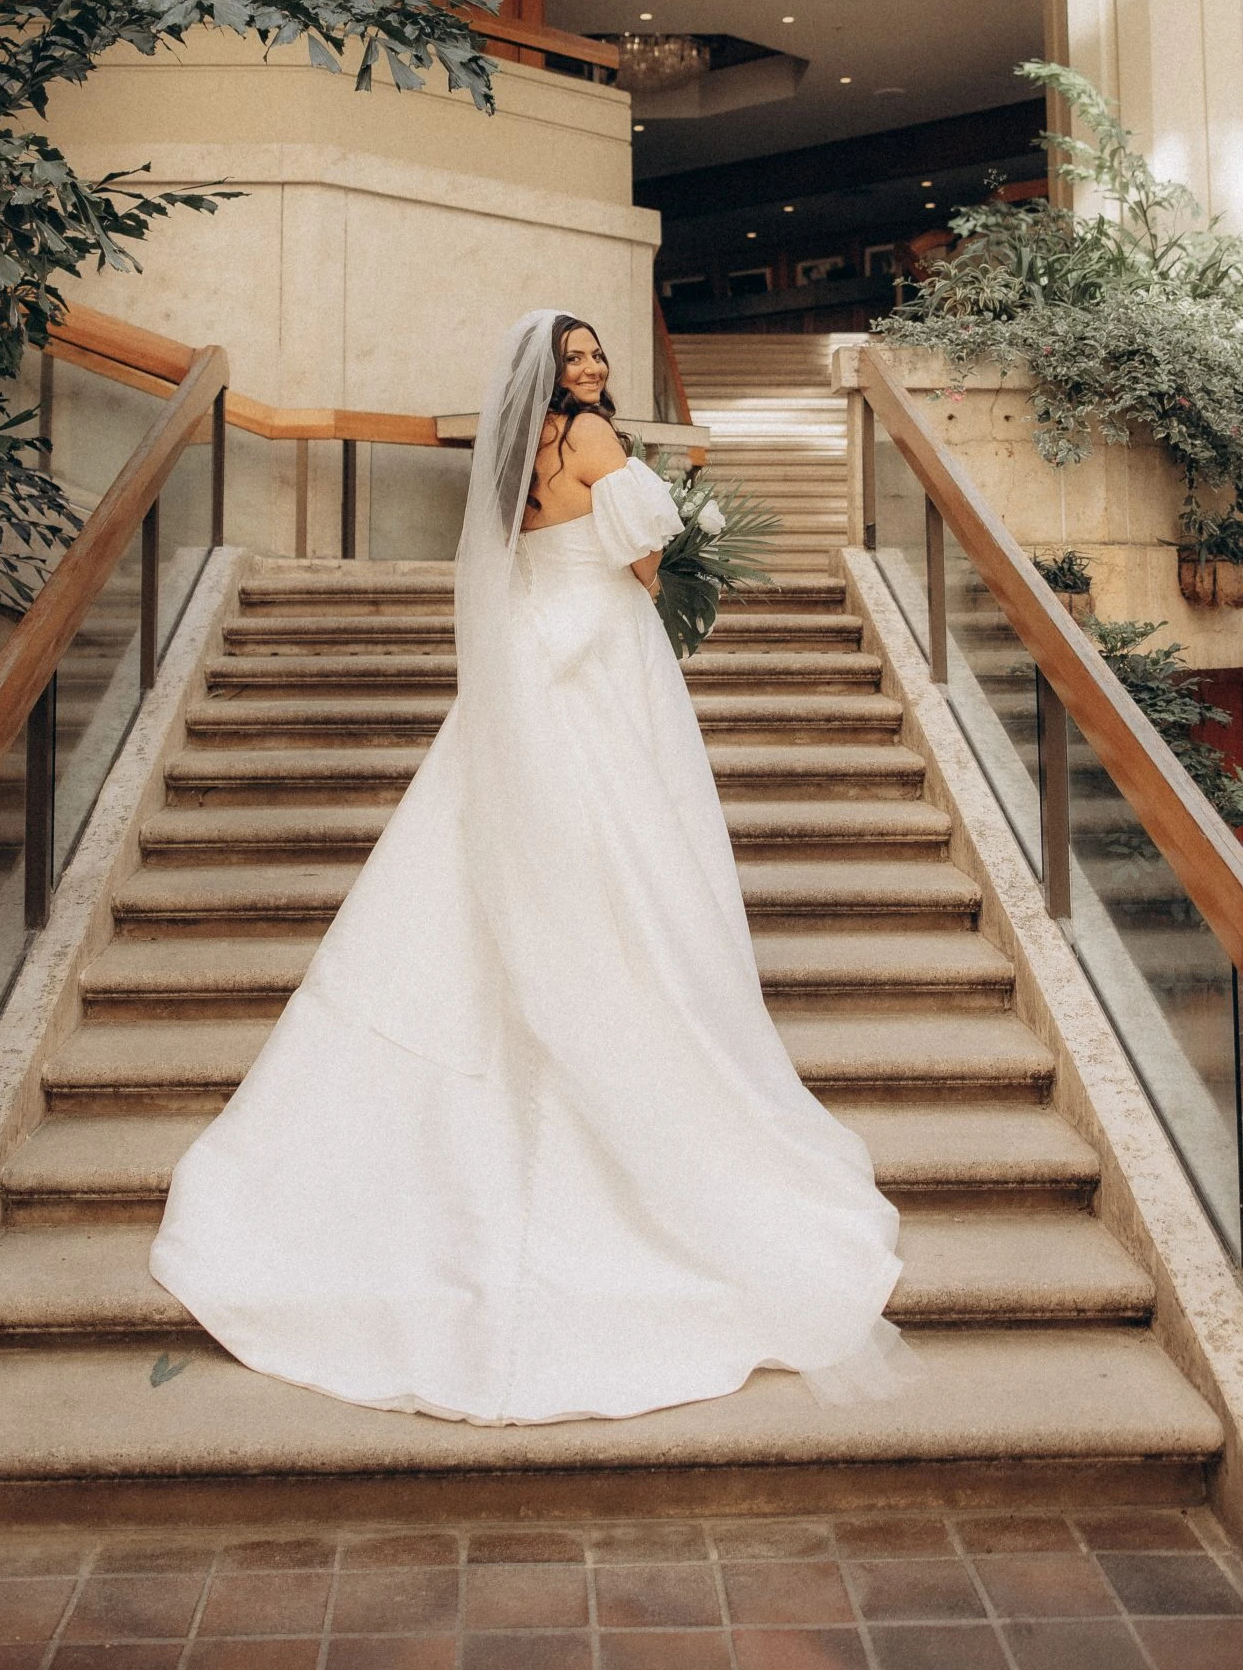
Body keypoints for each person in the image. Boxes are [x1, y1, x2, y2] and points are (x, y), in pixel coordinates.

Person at [150, 309, 910, 1424]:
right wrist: (664, 551)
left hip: (531, 673)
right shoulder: (601, 448)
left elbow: (515, 566)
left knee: (475, 871)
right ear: (555, 378)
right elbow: (645, 563)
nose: (594, 370)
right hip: (602, 662)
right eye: (581, 360)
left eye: (599, 355)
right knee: (633, 867)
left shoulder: (517, 463)